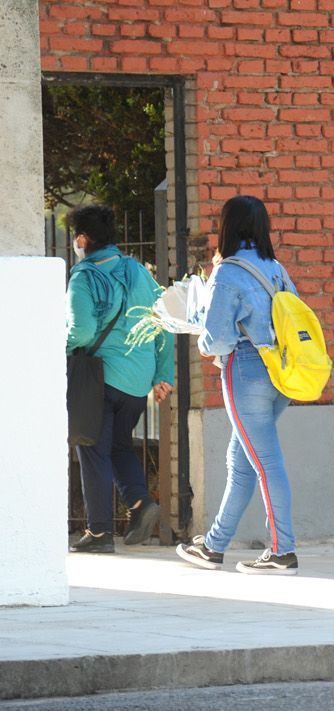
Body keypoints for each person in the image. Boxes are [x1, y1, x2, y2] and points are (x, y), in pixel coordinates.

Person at [176, 195, 301, 575]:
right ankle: (213, 545)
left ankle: (282, 551)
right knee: (242, 461)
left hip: (246, 370)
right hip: (281, 371)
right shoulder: (275, 268)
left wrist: (195, 333)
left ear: (228, 227)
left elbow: (216, 340)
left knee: (265, 463)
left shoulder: (228, 272)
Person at [65, 204, 175, 553]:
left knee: (92, 449)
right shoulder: (138, 271)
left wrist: (58, 343)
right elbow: (165, 323)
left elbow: (81, 332)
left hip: (100, 378)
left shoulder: (84, 276)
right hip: (137, 380)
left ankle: (98, 534)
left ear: (82, 239)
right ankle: (140, 503)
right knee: (118, 445)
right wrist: (163, 373)